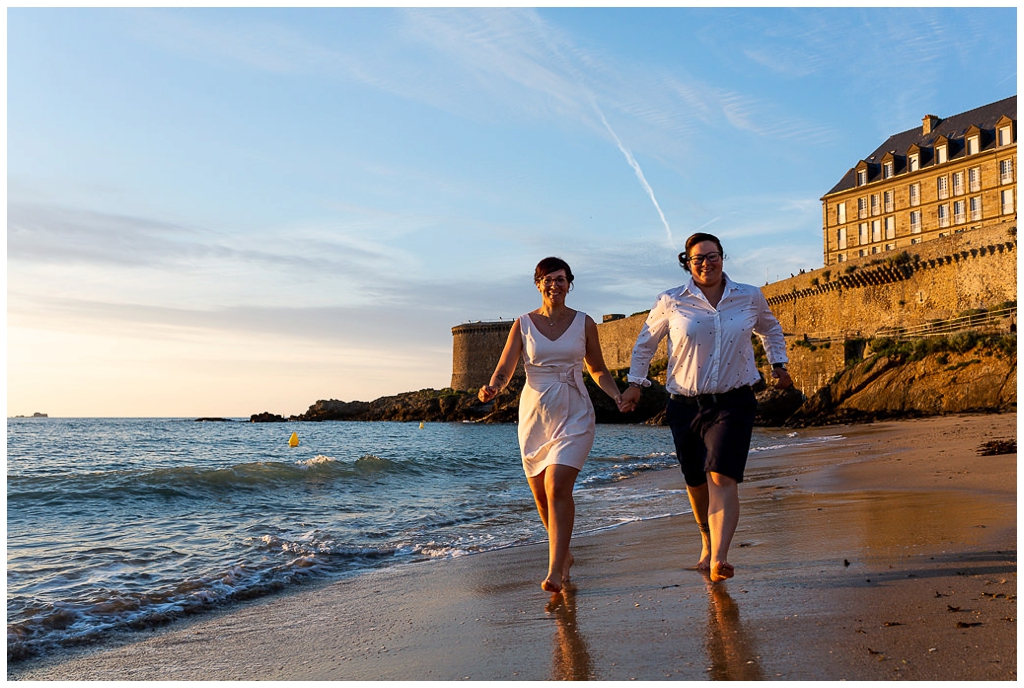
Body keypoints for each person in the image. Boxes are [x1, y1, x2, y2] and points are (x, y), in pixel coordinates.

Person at [617, 233, 791, 583]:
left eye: (713, 256)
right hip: (684, 405)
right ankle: (706, 538)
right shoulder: (671, 300)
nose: (706, 263)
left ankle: (720, 558)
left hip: (734, 400)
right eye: (698, 259)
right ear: (687, 263)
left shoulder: (748, 296)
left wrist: (778, 364)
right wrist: (635, 384)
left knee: (721, 476)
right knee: (695, 480)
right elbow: (644, 344)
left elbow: (771, 329)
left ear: (723, 258)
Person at [479, 257, 623, 594]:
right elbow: (505, 368)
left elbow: (597, 369)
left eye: (560, 279)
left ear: (569, 284)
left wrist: (616, 395)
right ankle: (565, 555)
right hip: (535, 414)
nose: (554, 285)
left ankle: (555, 569)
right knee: (542, 497)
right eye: (547, 279)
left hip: (574, 409)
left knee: (557, 485)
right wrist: (493, 387)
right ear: (538, 284)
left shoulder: (584, 323)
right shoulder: (523, 324)